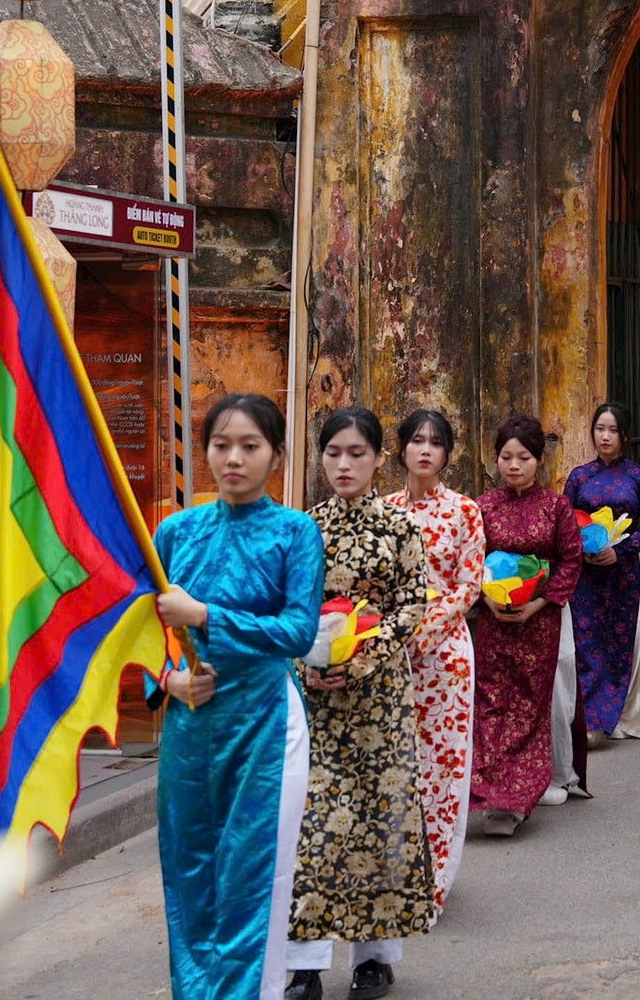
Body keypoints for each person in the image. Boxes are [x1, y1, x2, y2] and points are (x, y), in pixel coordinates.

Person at [152, 394, 325, 1000]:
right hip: (190, 724)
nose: (233, 458)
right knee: (189, 871)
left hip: (265, 726)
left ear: (276, 455)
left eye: (250, 446)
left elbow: (297, 632)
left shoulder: (296, 532)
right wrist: (168, 681)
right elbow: (142, 636)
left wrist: (205, 615)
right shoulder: (174, 533)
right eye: (221, 445)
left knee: (251, 877)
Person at [286, 408, 435, 1000]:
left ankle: (374, 958)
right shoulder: (303, 530)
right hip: (317, 708)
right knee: (312, 825)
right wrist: (308, 663)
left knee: (381, 824)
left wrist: (360, 658)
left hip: (380, 703)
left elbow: (411, 605)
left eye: (356, 453)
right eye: (333, 454)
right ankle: (304, 963)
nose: (343, 464)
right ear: (320, 459)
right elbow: (289, 614)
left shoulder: (400, 530)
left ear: (378, 458)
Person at [385, 411, 483, 915]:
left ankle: (434, 881)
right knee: (396, 768)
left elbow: (469, 585)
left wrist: (418, 632)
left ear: (448, 454)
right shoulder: (382, 512)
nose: (425, 449)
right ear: (400, 448)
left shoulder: (465, 511)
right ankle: (392, 875)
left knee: (442, 769)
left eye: (436, 442)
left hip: (444, 658)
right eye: (416, 440)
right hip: (385, 659)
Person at [472, 415, 585, 837]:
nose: (513, 465)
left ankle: (518, 799)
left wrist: (538, 604)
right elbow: (469, 562)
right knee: (491, 704)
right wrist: (487, 599)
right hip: (494, 621)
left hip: (538, 623)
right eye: (505, 457)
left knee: (528, 706)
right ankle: (490, 796)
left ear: (539, 460)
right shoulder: (482, 508)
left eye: (523, 457)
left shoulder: (555, 507)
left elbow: (570, 560)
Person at [564, 402, 640, 740]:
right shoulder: (579, 476)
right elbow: (566, 523)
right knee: (587, 644)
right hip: (587, 576)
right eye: (600, 429)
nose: (605, 436)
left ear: (624, 436)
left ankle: (614, 716)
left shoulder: (639, 476)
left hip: (623, 574)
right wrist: (583, 551)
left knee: (620, 643)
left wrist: (620, 552)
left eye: (613, 430)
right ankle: (589, 720)